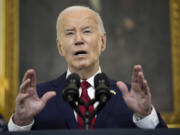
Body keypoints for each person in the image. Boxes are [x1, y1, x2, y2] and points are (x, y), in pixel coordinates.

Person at [8, 5, 167, 131]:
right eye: (70, 33)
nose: (78, 39)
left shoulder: (131, 98)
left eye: (86, 31)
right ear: (60, 48)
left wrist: (145, 115)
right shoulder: (39, 97)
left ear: (102, 42)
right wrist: (21, 122)